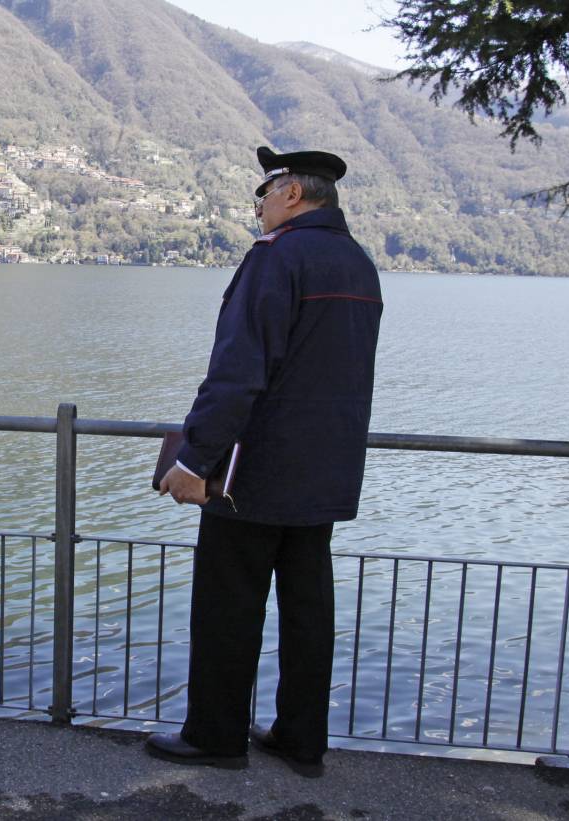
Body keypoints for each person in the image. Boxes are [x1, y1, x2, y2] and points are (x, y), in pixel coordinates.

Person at [146, 146, 382, 777]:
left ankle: (217, 737)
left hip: (255, 475)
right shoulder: (359, 265)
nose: (258, 204)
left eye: (265, 192)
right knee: (309, 613)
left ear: (294, 196)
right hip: (326, 473)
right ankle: (302, 740)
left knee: (229, 606)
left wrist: (195, 460)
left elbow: (238, 372)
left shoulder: (276, 259)